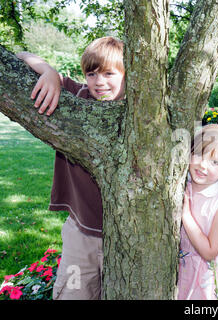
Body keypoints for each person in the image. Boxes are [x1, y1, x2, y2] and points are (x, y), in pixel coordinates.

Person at [16, 36, 125, 299]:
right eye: (91, 73)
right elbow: (19, 54)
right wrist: (50, 72)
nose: (99, 82)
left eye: (109, 73)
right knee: (74, 292)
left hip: (126, 237)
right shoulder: (76, 96)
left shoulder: (139, 109)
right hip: (81, 233)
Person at [177, 124, 218, 300]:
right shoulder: (181, 184)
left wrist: (186, 215)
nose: (203, 165)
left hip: (207, 275)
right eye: (198, 154)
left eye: (215, 162)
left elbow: (210, 251)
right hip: (181, 267)